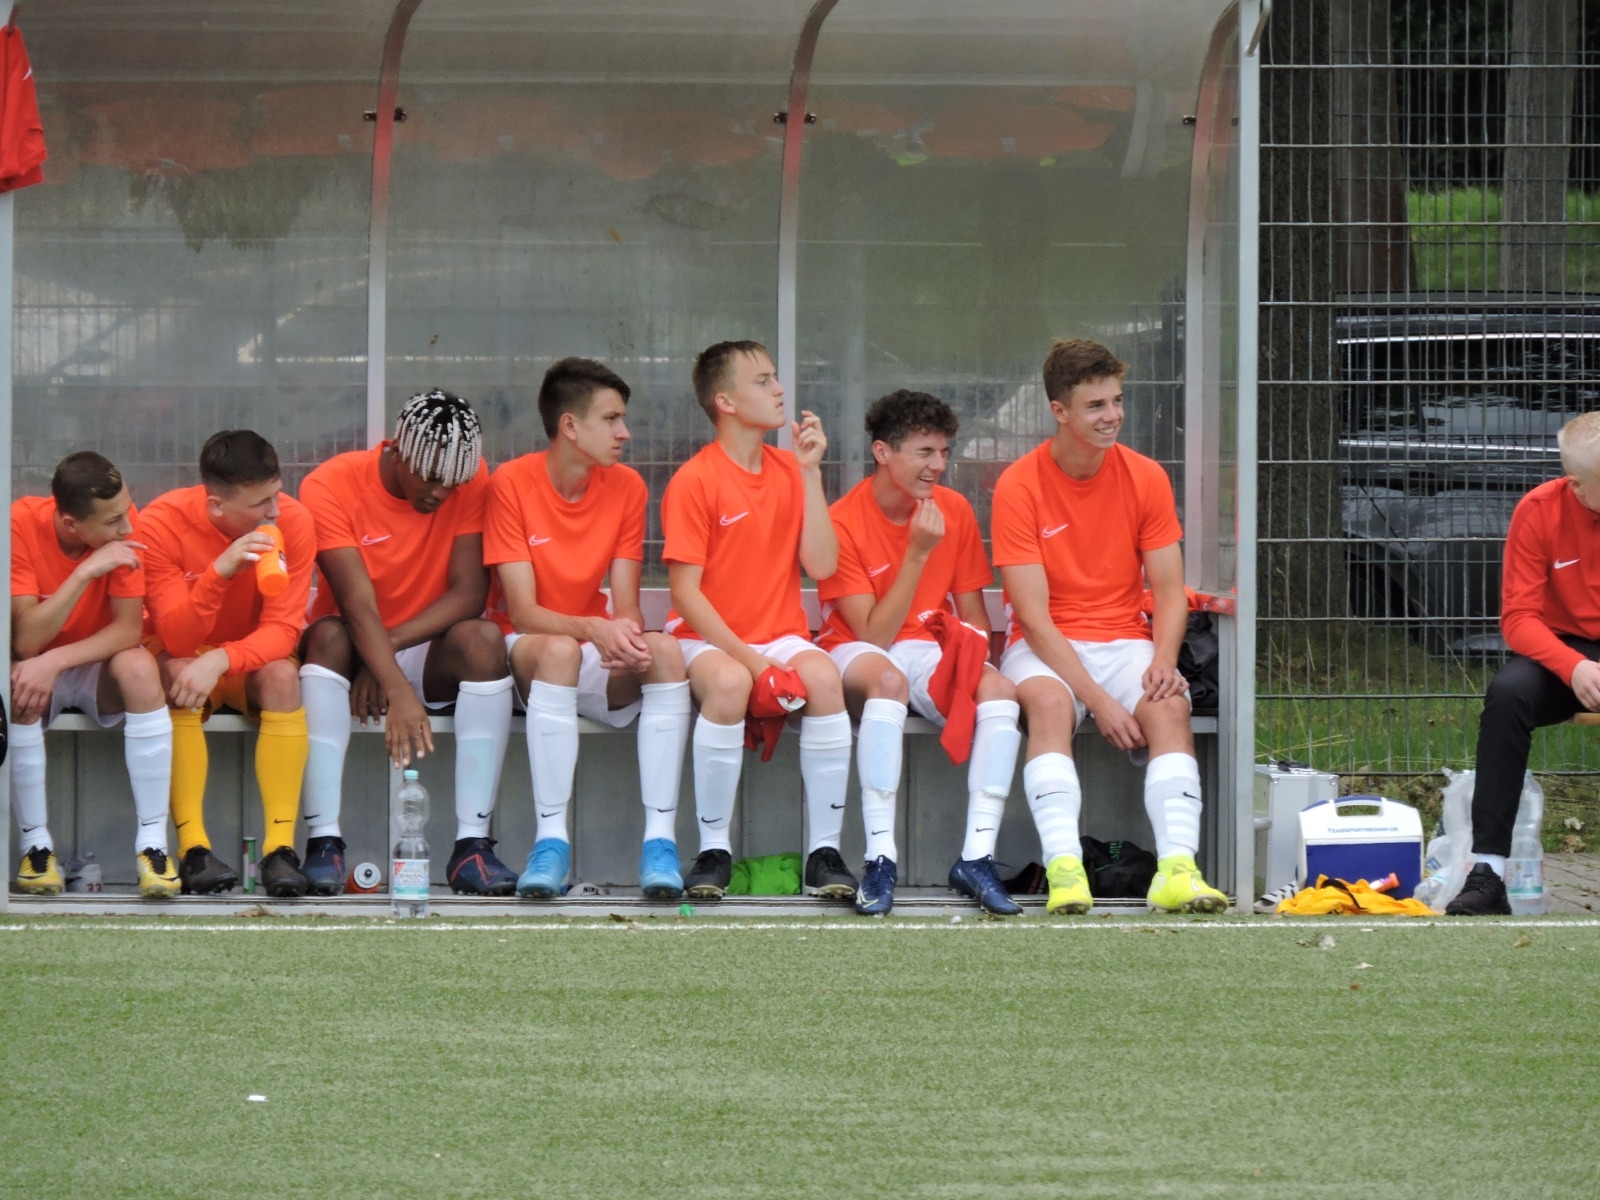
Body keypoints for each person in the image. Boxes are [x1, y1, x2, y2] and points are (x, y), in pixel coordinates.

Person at [990, 338, 1227, 915]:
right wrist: (1098, 701)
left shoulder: (1146, 477)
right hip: (1045, 646)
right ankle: (1066, 871)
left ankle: (1178, 871)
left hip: (1124, 639)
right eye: (1095, 405)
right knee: (1050, 706)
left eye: (1117, 401)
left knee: (1169, 707)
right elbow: (1033, 618)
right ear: (1059, 410)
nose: (1112, 415)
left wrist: (1164, 661)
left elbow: (1168, 591)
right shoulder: (1019, 484)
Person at [484, 357, 692, 900]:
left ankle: (660, 845)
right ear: (570, 426)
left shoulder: (627, 486)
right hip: (528, 649)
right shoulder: (511, 482)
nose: (625, 433)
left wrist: (624, 634)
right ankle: (550, 844)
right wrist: (594, 629)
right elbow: (523, 610)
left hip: (587, 646)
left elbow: (626, 604)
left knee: (665, 653)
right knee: (559, 651)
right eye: (612, 419)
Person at [298, 389, 516, 896]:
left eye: (453, 481)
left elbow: (470, 592)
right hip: (352, 641)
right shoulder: (329, 484)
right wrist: (395, 686)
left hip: (417, 643)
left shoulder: (468, 477)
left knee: (485, 641)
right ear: (396, 450)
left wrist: (389, 661)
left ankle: (472, 846)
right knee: (327, 636)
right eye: (430, 477)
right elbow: (356, 604)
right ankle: (323, 841)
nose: (441, 492)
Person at [815, 390, 1023, 916]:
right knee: (889, 681)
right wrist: (916, 554)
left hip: (930, 645)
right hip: (855, 650)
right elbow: (873, 636)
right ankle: (880, 858)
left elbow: (974, 616)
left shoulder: (954, 509)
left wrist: (970, 660)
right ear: (883, 452)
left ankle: (976, 858)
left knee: (1000, 690)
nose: (938, 465)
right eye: (924, 452)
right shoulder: (842, 520)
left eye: (944, 452)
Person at [662, 339, 853, 900]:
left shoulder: (792, 469)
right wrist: (752, 662)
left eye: (776, 377)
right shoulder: (695, 479)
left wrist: (811, 473)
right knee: (729, 683)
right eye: (763, 380)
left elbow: (823, 565)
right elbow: (686, 596)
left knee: (825, 679)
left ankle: (824, 853)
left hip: (781, 635)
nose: (779, 389)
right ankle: (713, 850)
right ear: (725, 401)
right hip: (705, 639)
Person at [139, 430, 317, 896]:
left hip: (244, 658)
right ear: (216, 506)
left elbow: (283, 630)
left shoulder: (294, 521)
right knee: (176, 670)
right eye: (260, 503)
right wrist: (219, 572)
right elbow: (177, 637)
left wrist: (222, 658)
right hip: (188, 657)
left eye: (276, 494)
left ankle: (280, 850)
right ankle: (193, 849)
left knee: (284, 677)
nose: (275, 511)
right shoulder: (161, 521)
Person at [1447, 412, 1600, 915]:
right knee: (1509, 693)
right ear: (1576, 484)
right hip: (1562, 654)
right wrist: (1573, 666)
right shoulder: (1538, 510)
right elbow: (1517, 619)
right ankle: (1489, 871)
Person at [9, 452, 177, 897]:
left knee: (140, 669)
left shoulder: (125, 524)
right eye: (113, 521)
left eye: (126, 511)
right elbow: (26, 641)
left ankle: (154, 848)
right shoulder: (20, 523)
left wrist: (53, 662)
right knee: (15, 681)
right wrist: (84, 572)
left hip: (92, 664)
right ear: (71, 524)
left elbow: (128, 630)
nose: (127, 527)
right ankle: (36, 848)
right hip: (36, 667)